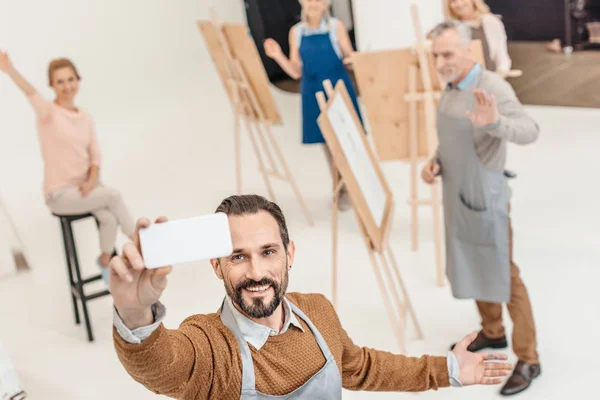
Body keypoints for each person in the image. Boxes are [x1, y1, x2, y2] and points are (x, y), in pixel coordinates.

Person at [110, 194, 512, 399]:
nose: (256, 273)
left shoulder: (316, 310)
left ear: (290, 254)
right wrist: (135, 311)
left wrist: (447, 370)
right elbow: (163, 365)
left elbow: (360, 367)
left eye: (268, 252)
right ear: (216, 266)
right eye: (238, 257)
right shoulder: (211, 347)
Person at [422, 21, 541, 396]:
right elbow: (452, 138)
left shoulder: (491, 87)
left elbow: (530, 129)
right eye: (436, 55)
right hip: (458, 195)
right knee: (472, 262)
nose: (441, 61)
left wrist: (496, 122)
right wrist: (436, 161)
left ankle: (530, 357)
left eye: (448, 53)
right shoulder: (452, 88)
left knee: (505, 275)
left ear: (468, 51)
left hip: (486, 200)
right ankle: (492, 332)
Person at [0, 50, 135, 286]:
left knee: (109, 219)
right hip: (61, 194)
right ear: (52, 85)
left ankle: (105, 262)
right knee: (114, 196)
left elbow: (95, 155)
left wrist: (92, 180)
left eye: (70, 79)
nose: (66, 86)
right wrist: (9, 68)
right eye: (60, 81)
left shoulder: (86, 118)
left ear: (78, 81)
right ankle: (141, 243)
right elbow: (30, 92)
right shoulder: (48, 113)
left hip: (87, 189)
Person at [263, 0, 362, 211]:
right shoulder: (296, 32)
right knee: (327, 143)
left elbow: (349, 57)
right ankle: (339, 188)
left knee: (345, 140)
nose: (313, 3)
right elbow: (295, 72)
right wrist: (277, 56)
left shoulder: (336, 27)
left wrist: (356, 60)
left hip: (337, 89)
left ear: (327, 3)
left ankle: (353, 187)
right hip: (312, 91)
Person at [443, 0, 512, 74]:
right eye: (453, 1)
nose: (459, 4)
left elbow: (501, 54)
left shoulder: (491, 22)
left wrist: (500, 75)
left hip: (491, 77)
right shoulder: (450, 29)